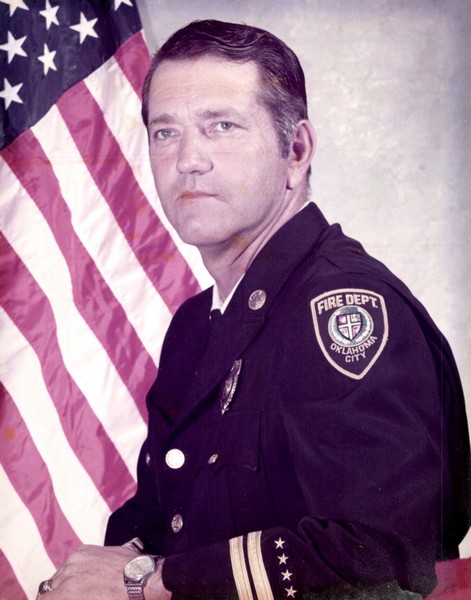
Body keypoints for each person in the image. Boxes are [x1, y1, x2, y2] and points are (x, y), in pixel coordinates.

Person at [37, 19, 470, 600]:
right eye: (165, 133)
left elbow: (383, 552)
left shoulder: (340, 308)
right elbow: (165, 517)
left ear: (297, 150)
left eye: (222, 127)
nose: (188, 160)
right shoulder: (196, 325)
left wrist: (148, 581)